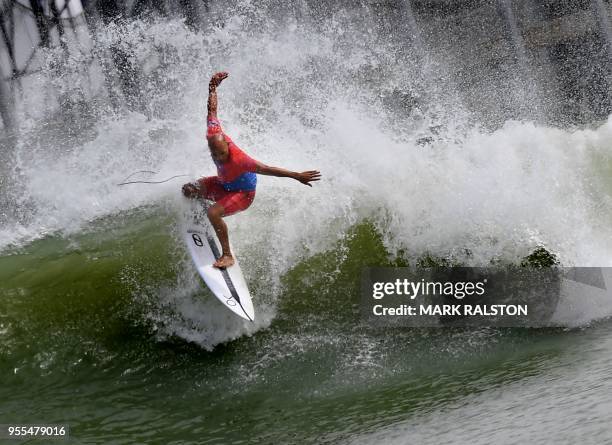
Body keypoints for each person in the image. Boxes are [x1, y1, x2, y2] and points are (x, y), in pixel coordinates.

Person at [182, 72, 321, 269]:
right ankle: (206, 215)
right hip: (223, 184)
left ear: (227, 148)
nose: (218, 158)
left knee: (213, 213)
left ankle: (227, 255)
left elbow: (268, 169)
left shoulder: (240, 160)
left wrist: (297, 176)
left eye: (221, 154)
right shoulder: (213, 132)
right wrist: (212, 89)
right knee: (188, 189)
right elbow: (212, 111)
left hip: (242, 194)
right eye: (214, 154)